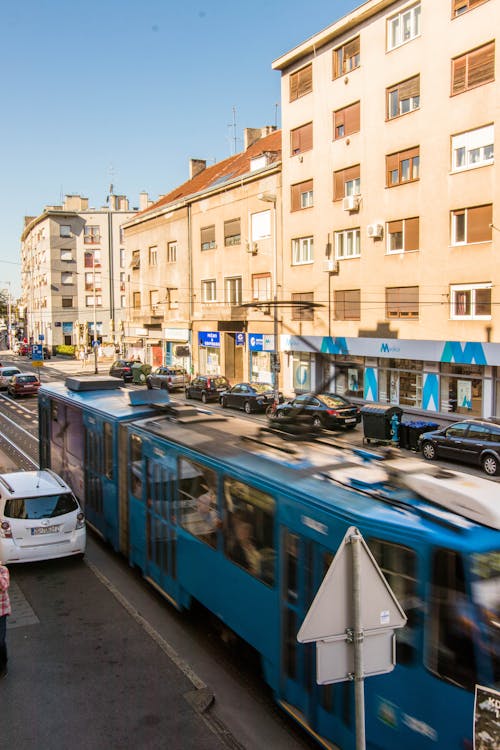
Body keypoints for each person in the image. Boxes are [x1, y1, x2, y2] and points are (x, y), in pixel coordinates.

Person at [0, 560, 11, 679]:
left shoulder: (3, 570)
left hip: (1, 613)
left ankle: (3, 664)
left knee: (0, 641)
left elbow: (4, 586)